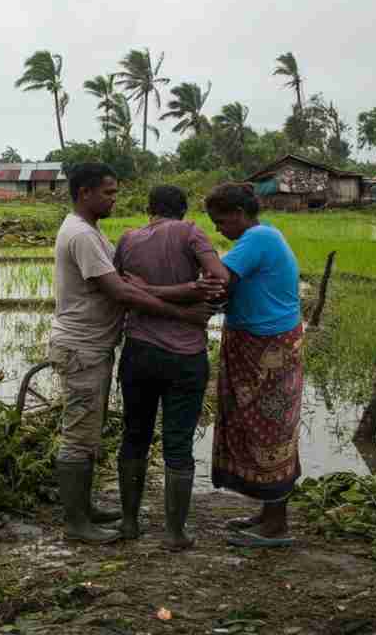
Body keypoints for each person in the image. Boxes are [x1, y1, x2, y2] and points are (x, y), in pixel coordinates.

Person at [49, 163, 219, 544]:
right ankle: (77, 522)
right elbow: (122, 291)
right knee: (79, 437)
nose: (115, 199)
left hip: (115, 349)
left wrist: (151, 290)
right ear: (84, 193)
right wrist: (184, 310)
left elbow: (127, 282)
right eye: (108, 192)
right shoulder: (83, 235)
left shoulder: (107, 235)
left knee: (115, 434)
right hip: (84, 347)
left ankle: (99, 514)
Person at [113, 185, 225, 549]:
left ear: (149, 209)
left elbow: (120, 290)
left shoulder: (127, 240)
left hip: (139, 352)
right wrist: (187, 291)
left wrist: (149, 291)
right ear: (183, 210)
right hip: (185, 356)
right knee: (177, 443)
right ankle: (175, 533)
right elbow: (218, 279)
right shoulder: (191, 232)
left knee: (134, 436)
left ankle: (129, 523)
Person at [203, 182, 304, 548]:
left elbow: (219, 279)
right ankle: (268, 513)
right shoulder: (263, 236)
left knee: (271, 430)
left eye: (221, 221)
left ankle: (276, 525)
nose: (219, 230)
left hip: (268, 348)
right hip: (262, 341)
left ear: (240, 214)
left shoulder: (258, 238)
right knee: (263, 427)